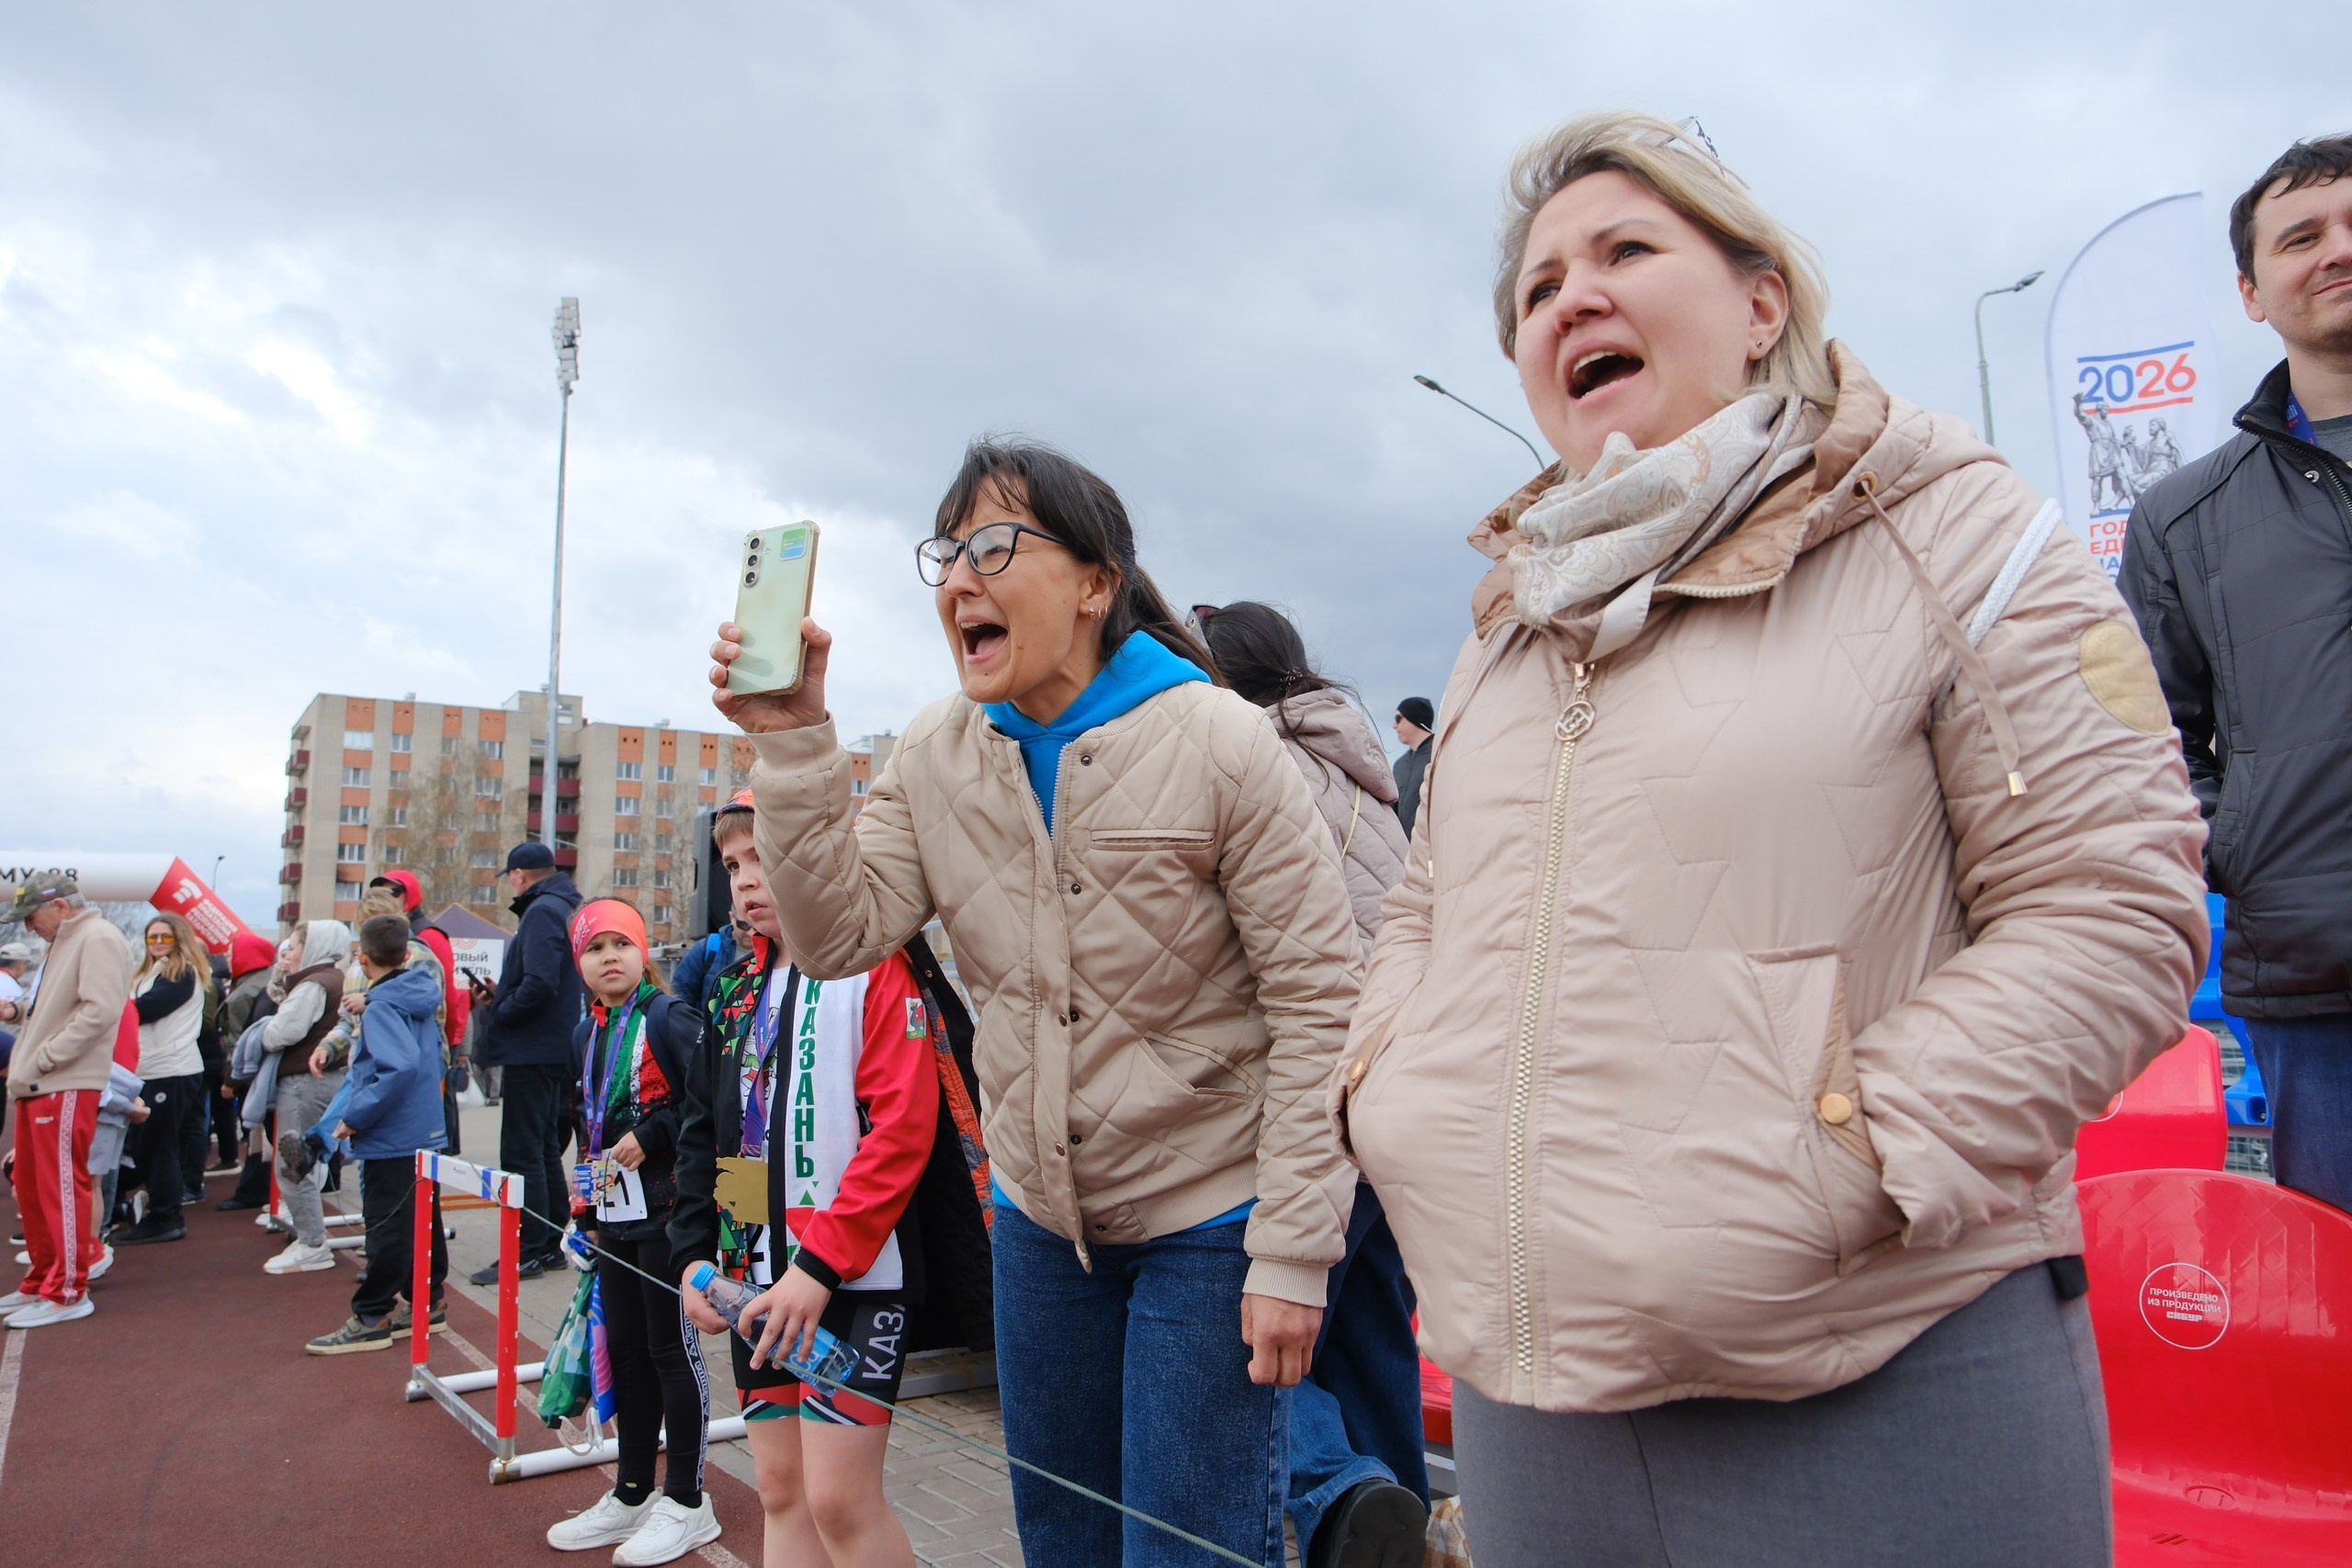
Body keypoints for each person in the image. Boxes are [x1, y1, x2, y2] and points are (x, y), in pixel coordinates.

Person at [1334, 113, 2209, 1568]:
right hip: (1535, 1394)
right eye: (1538, 287)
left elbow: (2114, 906)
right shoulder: (1513, 625)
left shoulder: (1956, 529)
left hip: (1880, 1359)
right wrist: (1398, 1103)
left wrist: (1841, 1163)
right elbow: (1426, 914)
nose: (1572, 298)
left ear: (1762, 304)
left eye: (1625, 250)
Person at [708, 437, 1364, 1568]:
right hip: (1035, 1225)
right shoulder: (933, 751)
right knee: (1060, 1539)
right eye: (947, 553)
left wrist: (1295, 1254)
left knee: (1187, 1548)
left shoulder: (1217, 736)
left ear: (1096, 583)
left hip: (1209, 1221)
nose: (961, 578)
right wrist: (795, 743)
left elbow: (1319, 1002)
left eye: (996, 545)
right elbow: (833, 938)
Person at [2121, 132, 2352, 1213]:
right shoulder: (2180, 518)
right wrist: (2244, 848)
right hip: (2320, 985)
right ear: (2251, 293)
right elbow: (2149, 738)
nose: (2335, 252)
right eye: (2301, 237)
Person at [1199, 602, 1428, 1568]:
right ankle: (1404, 1525)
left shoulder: (1247, 764)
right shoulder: (1359, 765)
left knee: (1247, 1337)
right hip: (1395, 1089)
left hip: (1309, 1101)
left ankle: (1339, 1491)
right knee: (1369, 1337)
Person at [670, 797, 937, 1568]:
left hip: (852, 1286)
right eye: (733, 866)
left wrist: (818, 1267)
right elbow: (719, 1138)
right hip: (756, 1284)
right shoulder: (732, 991)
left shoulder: (876, 965)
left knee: (839, 1501)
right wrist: (702, 1257)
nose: (748, 883)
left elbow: (902, 1133)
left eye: (766, 857)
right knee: (781, 1490)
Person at [541, 897, 718, 1564]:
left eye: (622, 942)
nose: (609, 956)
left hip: (671, 1218)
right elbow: (587, 1123)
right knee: (628, 1349)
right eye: (595, 947)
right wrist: (579, 1210)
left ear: (643, 951)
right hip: (611, 1217)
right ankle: (633, 1489)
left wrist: (654, 1132)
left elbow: (711, 1101)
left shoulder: (667, 1016)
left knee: (673, 1352)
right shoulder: (585, 1031)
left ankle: (688, 1499)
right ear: (580, 964)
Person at [308, 914, 452, 1353]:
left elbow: (399, 1066)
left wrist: (357, 1114)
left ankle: (371, 1314)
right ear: (407, 955)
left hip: (393, 1132)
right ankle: (428, 1301)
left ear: (363, 959)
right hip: (421, 1126)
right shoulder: (413, 996)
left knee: (388, 1225)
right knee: (423, 1220)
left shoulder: (382, 1006)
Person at [2, 878, 128, 1327]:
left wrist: (45, 1057)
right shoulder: (69, 942)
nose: (30, 927)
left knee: (58, 1188)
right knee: (34, 1189)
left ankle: (68, 1290)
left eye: (33, 916)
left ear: (59, 906)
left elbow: (100, 1011)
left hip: (62, 1081)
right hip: (41, 1082)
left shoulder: (97, 938)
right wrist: (20, 1020)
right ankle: (43, 1281)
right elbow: (61, 1009)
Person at [469, 840, 585, 1282]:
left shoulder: (540, 911)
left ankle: (531, 1246)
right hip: (553, 1046)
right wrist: (504, 995)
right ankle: (549, 1240)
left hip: (532, 1048)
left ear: (518, 875)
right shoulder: (562, 907)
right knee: (540, 1148)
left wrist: (502, 1008)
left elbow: (537, 983)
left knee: (523, 1150)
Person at [259, 920, 353, 1273]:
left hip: (305, 1081)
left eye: (296, 945)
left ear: (311, 947)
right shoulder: (335, 979)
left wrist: (264, 1032)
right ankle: (309, 1237)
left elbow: (283, 1031)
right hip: (322, 1080)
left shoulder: (314, 983)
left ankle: (311, 1243)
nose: (290, 953)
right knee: (306, 1163)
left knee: (293, 1164)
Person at [117, 912, 211, 1246]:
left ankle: (165, 1216)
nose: (157, 942)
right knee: (146, 1145)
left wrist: (109, 1007)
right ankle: (143, 1207)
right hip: (150, 1068)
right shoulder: (147, 972)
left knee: (159, 1146)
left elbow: (146, 1008)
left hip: (171, 1068)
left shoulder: (181, 971)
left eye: (164, 937)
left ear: (179, 939)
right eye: (152, 937)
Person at [370, 869, 471, 1155]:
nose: (386, 898)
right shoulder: (395, 934)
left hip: (426, 1046)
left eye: (394, 892)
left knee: (432, 1127)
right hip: (400, 1043)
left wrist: (450, 1044)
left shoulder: (427, 935)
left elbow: (449, 996)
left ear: (409, 896)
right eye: (381, 893)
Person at [214, 931, 282, 1213]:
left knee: (256, 1132)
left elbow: (238, 1042)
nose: (228, 959)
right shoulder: (271, 981)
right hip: (268, 1070)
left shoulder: (244, 993)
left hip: (253, 1074)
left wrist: (231, 1080)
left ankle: (254, 1189)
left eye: (232, 953)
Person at [1388, 699, 1432, 839]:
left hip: (1437, 850)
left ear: (1416, 718)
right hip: (1406, 853)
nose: (1394, 725)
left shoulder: (1441, 754)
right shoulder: (1399, 765)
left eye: (1398, 718)